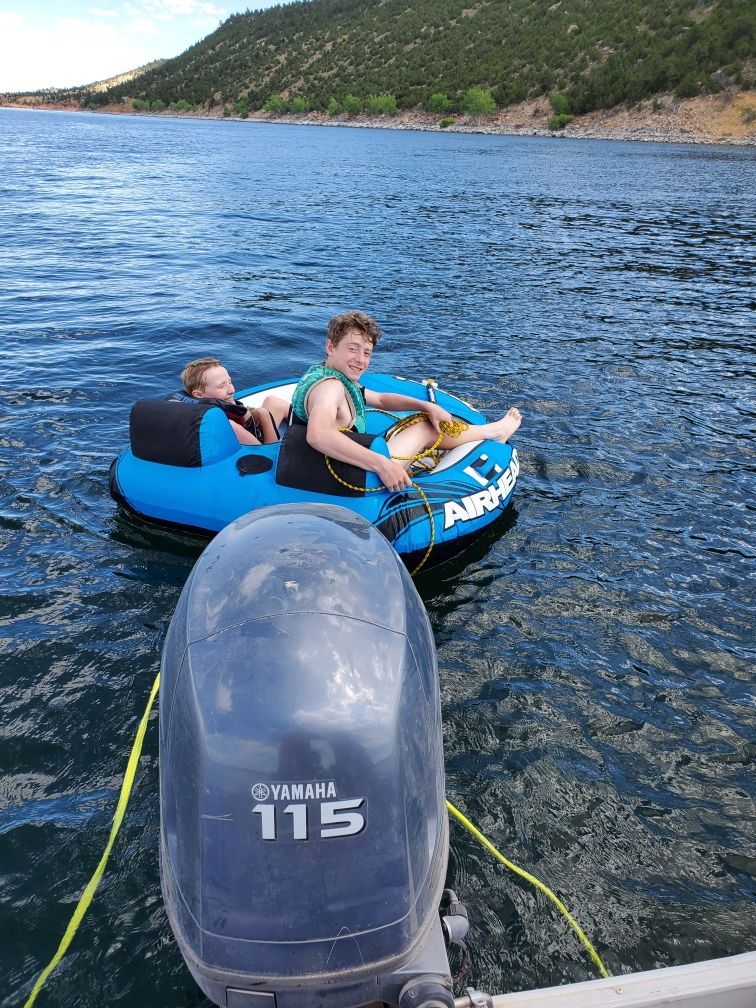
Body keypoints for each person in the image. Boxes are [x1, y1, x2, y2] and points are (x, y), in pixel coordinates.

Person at [289, 311, 522, 492]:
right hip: (352, 477)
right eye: (352, 349)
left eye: (367, 353)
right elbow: (318, 434)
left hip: (325, 467)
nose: (360, 360)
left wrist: (426, 405)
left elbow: (379, 398)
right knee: (424, 427)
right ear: (330, 347)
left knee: (418, 419)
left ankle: (484, 432)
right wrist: (381, 464)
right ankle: (494, 431)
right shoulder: (330, 388)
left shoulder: (325, 375)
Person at [180, 357, 289, 446]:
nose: (232, 390)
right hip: (260, 447)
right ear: (199, 395)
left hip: (249, 428)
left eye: (229, 382)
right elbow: (267, 453)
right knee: (270, 408)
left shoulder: (198, 409)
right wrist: (264, 416)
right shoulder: (228, 425)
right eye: (221, 386)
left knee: (272, 401)